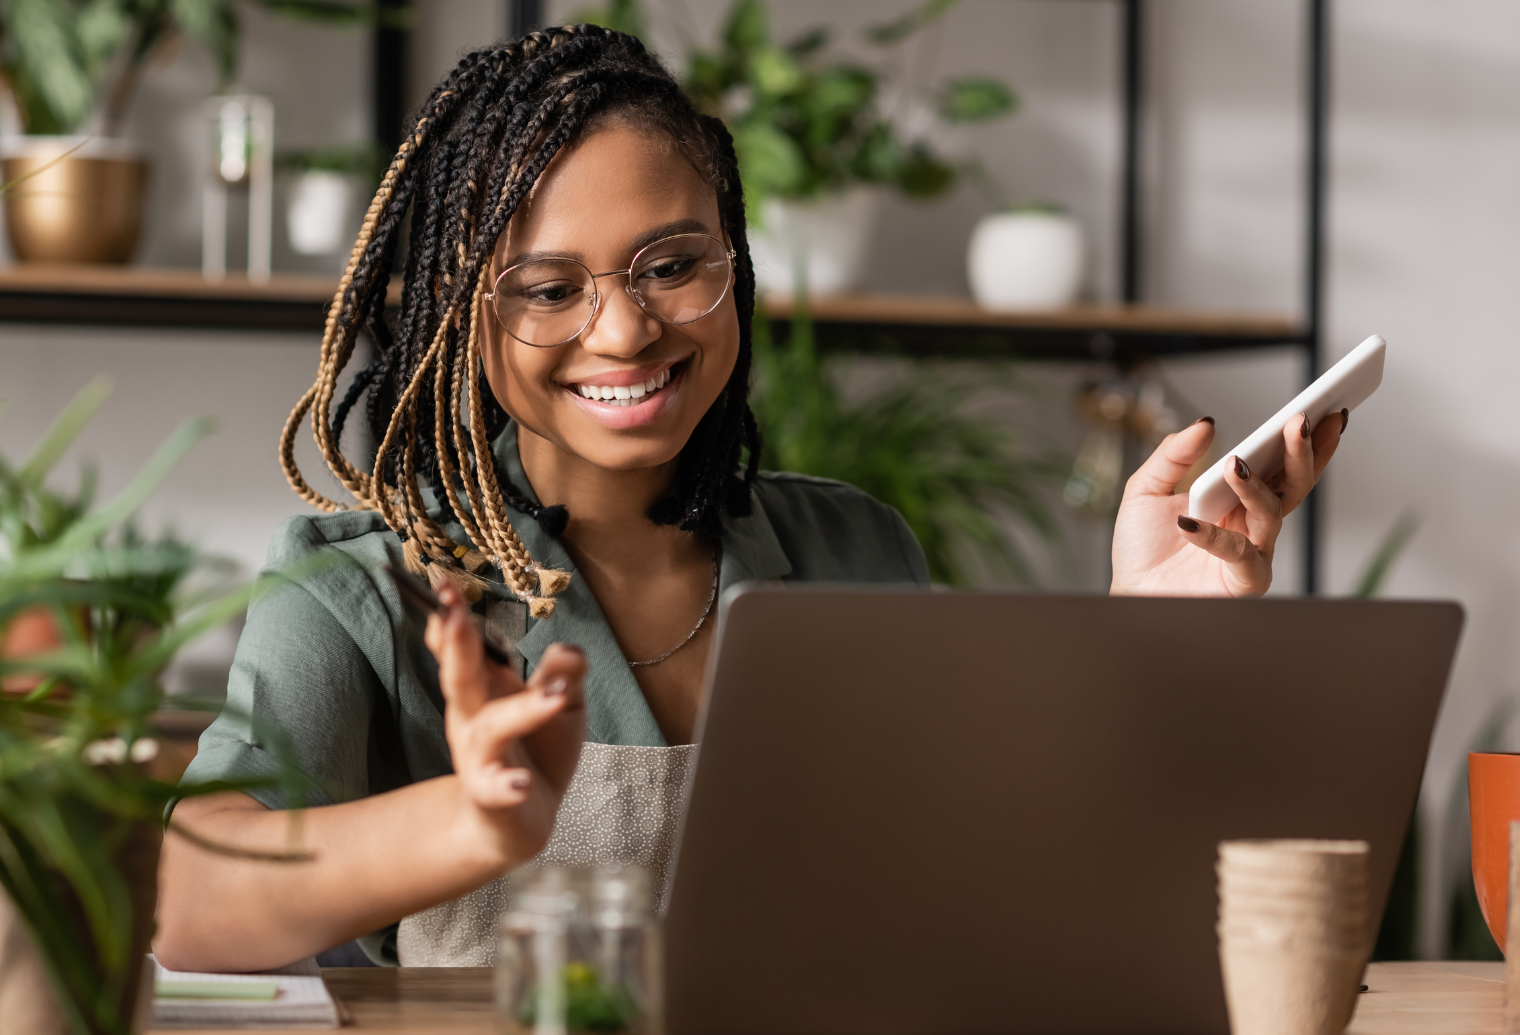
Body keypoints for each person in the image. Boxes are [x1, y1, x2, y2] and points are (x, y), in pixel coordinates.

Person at [153, 26, 1346, 973]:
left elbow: (997, 891)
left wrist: (1146, 638)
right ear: (460, 321)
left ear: (737, 266)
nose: (624, 327)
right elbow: (195, 905)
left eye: (673, 264)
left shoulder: (854, 551)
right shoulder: (352, 587)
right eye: (547, 287)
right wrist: (473, 824)